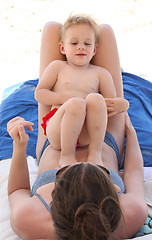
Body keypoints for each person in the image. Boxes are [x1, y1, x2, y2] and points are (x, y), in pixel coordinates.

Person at [7, 17, 147, 240]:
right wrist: (130, 132)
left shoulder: (30, 220)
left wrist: (19, 147)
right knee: (105, 31)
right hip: (103, 136)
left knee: (53, 29)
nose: (82, 163)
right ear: (110, 201)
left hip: (54, 140)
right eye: (101, 173)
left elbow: (17, 191)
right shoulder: (129, 215)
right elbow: (134, 172)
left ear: (55, 199)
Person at [35, 14, 129, 167]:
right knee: (76, 104)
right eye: (74, 43)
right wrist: (64, 99)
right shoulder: (57, 67)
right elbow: (40, 93)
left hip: (88, 133)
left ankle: (95, 153)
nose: (81, 47)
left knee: (96, 99)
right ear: (62, 48)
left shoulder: (101, 74)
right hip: (59, 129)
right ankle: (66, 155)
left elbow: (110, 104)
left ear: (94, 50)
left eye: (87, 43)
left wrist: (123, 105)